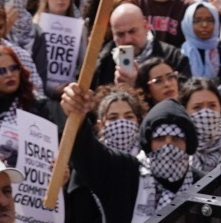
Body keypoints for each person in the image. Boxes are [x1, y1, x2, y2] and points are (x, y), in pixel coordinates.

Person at [60, 87, 199, 222]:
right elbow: (87, 154)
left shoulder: (203, 183)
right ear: (148, 143)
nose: (168, 147)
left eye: (176, 139)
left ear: (188, 144)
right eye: (160, 138)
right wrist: (78, 115)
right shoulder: (125, 172)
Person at [93, 2, 190, 87]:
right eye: (120, 34)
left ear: (145, 26)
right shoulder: (104, 61)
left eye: (132, 31)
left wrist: (136, 85)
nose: (127, 40)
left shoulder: (173, 57)